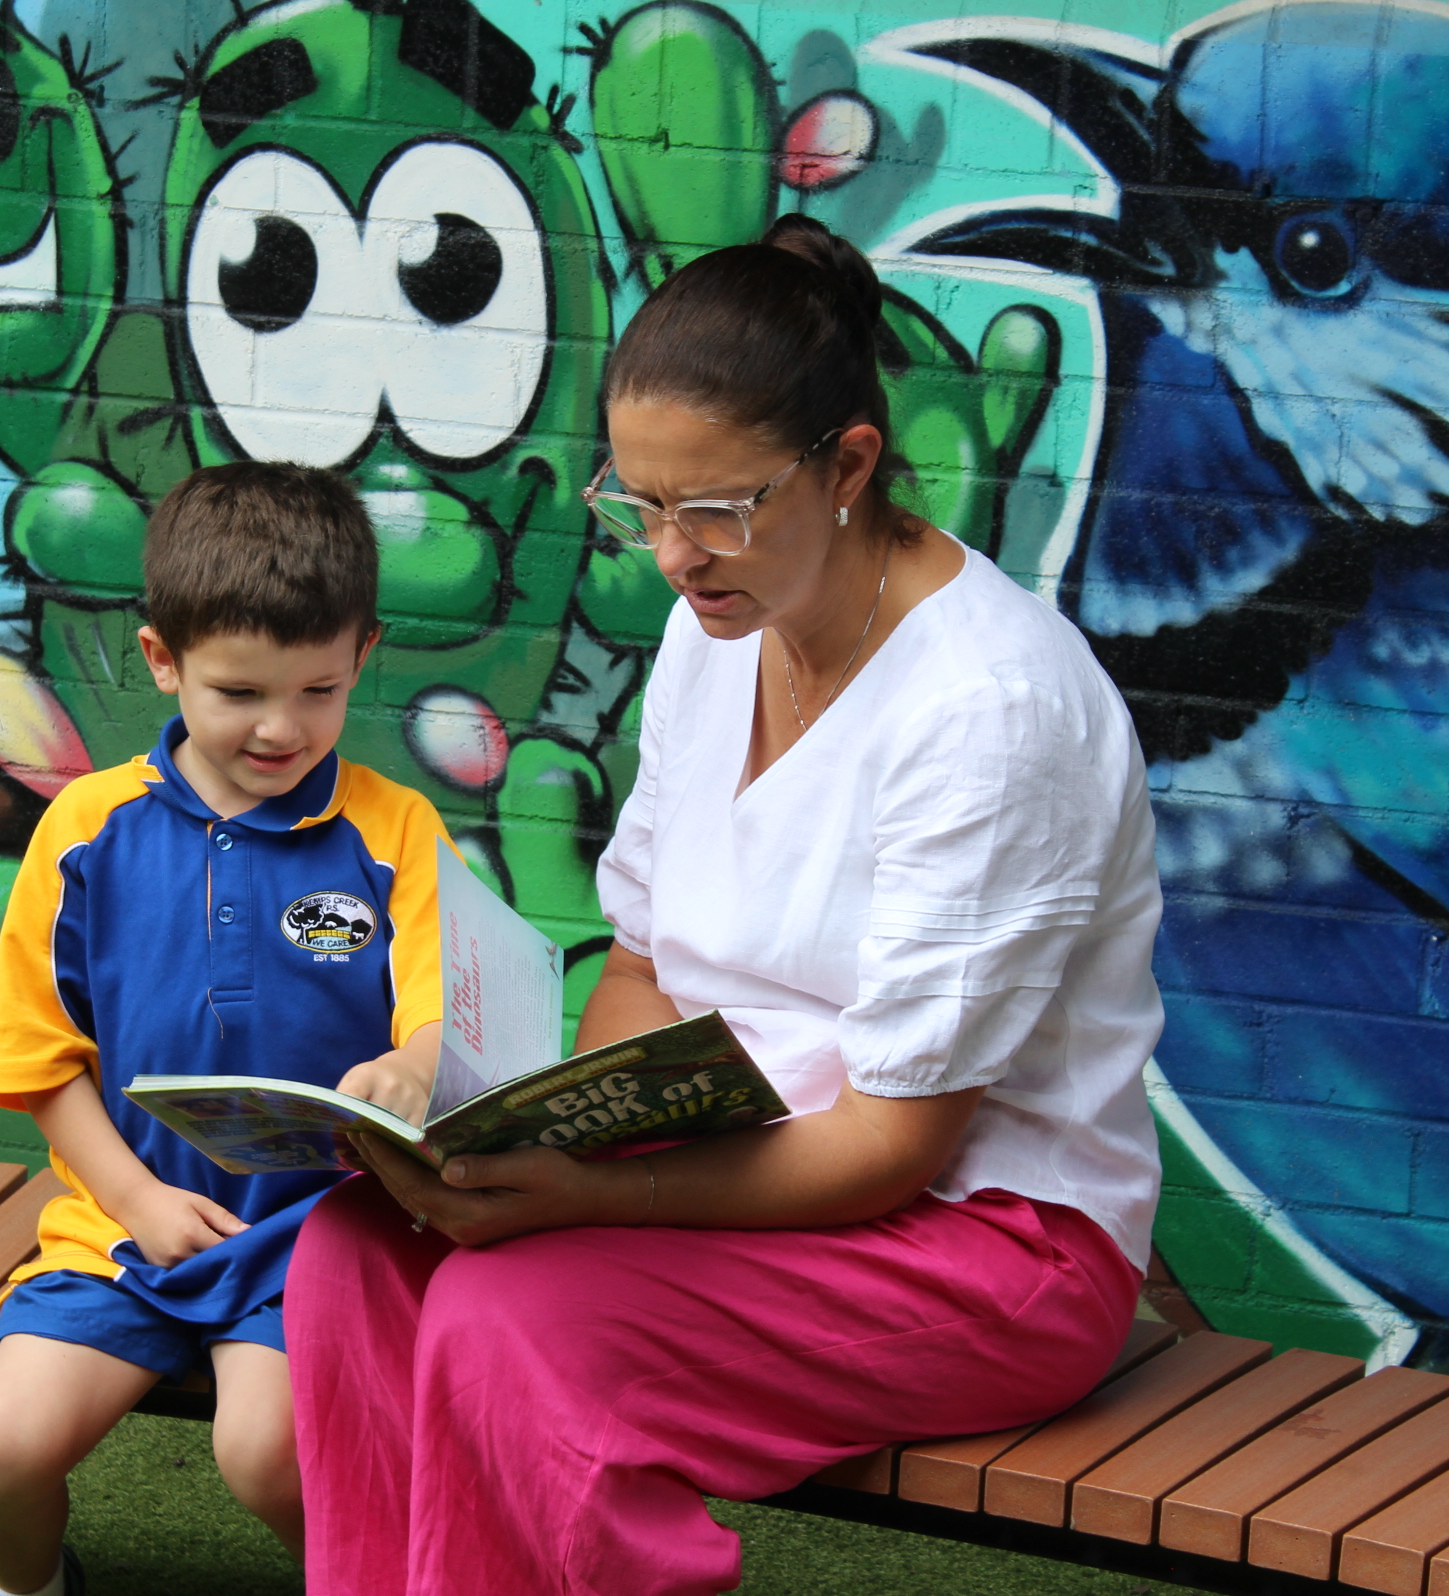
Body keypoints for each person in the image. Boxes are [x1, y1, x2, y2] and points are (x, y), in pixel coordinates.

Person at [286, 216, 1167, 1596]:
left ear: (852, 465)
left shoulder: (992, 711)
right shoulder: (725, 630)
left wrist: (580, 1198)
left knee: (520, 1322)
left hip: (985, 1237)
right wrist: (515, 1125)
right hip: (743, 1142)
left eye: (714, 509)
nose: (672, 554)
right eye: (640, 507)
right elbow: (644, 961)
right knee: (358, 1251)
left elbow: (893, 1142)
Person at [0, 462, 452, 1596]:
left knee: (266, 1454)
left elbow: (445, 1007)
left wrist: (418, 1060)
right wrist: (134, 1204)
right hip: (121, 1232)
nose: (282, 729)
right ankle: (31, 1589)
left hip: (316, 1239)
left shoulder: (398, 830)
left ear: (363, 654)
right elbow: (39, 1063)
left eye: (320, 692)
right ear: (161, 661)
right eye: (239, 694)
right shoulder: (87, 830)